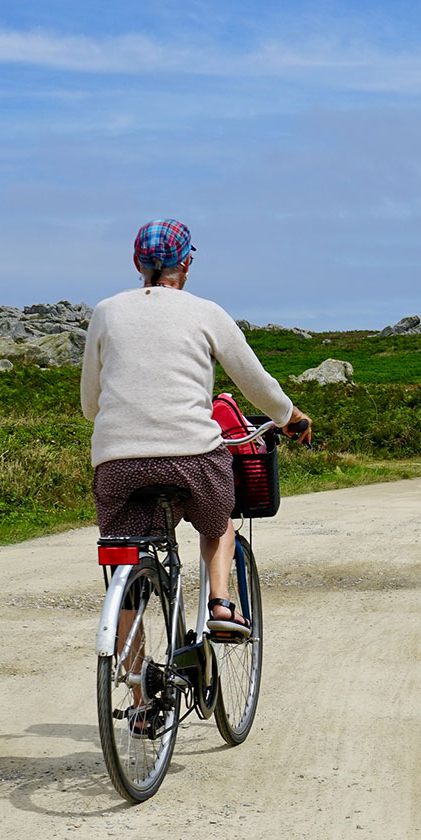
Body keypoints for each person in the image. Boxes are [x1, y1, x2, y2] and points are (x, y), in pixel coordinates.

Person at [80, 218, 310, 643]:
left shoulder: (106, 312)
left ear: (136, 261)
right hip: (193, 458)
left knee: (125, 562)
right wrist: (289, 416)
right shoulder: (205, 312)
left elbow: (90, 406)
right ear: (185, 264)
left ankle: (139, 701)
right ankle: (220, 604)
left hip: (117, 463)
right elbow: (255, 383)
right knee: (218, 521)